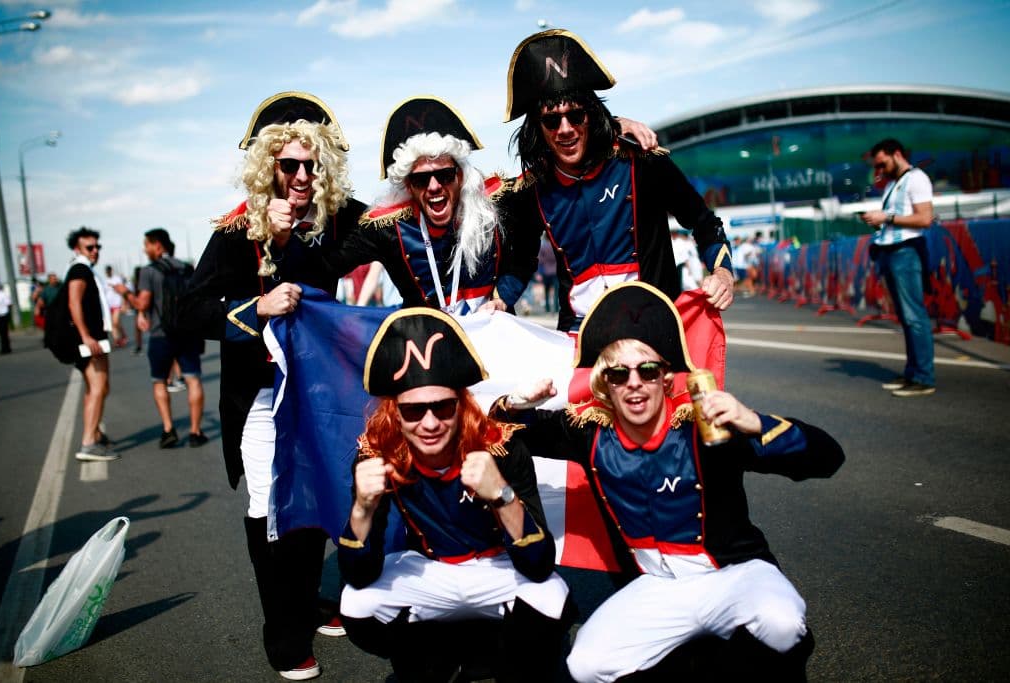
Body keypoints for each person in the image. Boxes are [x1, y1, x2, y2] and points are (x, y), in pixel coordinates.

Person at [496, 281, 844, 681]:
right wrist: (515, 403)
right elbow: (504, 433)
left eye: (647, 370)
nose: (634, 382)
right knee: (586, 665)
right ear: (604, 383)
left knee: (781, 623)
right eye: (618, 373)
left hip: (733, 575)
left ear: (665, 378)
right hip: (657, 587)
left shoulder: (706, 429)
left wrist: (755, 423)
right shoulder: (588, 433)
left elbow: (828, 458)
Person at [177, 91, 363, 680]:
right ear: (269, 167)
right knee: (269, 503)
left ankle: (304, 601)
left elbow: (403, 215)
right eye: (290, 165)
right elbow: (187, 311)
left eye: (312, 164)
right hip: (258, 394)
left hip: (322, 392)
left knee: (316, 497)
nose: (302, 176)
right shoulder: (239, 228)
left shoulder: (339, 216)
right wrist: (255, 307)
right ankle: (283, 634)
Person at [338, 308, 573, 681]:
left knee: (553, 599)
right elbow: (359, 574)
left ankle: (502, 660)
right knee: (356, 603)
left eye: (443, 407)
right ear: (395, 412)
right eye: (414, 411)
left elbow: (539, 564)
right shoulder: (378, 454)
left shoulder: (499, 446)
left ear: (461, 403)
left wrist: (502, 496)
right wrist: (362, 510)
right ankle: (432, 658)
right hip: (430, 568)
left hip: (497, 567)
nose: (430, 423)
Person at [503, 29, 735, 332]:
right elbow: (520, 261)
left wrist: (723, 273)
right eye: (551, 120)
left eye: (576, 116)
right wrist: (499, 301)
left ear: (591, 115)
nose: (565, 129)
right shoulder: (530, 190)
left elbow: (703, 222)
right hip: (578, 335)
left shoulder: (644, 161)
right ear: (537, 128)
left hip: (651, 327)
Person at [322, 96, 535, 314]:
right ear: (408, 185)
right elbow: (325, 267)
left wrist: (503, 297)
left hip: (492, 330)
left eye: (444, 175)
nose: (434, 186)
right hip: (427, 335)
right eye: (421, 179)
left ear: (460, 175)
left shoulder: (495, 204)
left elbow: (526, 251)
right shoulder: (387, 227)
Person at [115, 229, 207, 448]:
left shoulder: (149, 271)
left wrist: (124, 292)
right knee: (193, 380)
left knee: (159, 381)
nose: (145, 249)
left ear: (157, 245)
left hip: (161, 334)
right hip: (187, 332)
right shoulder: (186, 267)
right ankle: (195, 432)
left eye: (146, 245)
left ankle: (168, 429)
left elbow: (143, 303)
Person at [861, 138, 936, 397]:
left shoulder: (916, 179)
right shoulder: (893, 184)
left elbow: (925, 218)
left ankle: (923, 377)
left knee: (914, 316)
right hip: (891, 251)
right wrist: (880, 220)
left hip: (906, 251)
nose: (879, 169)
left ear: (897, 154)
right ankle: (913, 373)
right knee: (906, 317)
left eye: (882, 163)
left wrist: (887, 217)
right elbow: (898, 219)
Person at [65, 227, 118, 462]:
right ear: (77, 249)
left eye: (97, 246)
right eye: (89, 247)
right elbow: (74, 303)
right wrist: (86, 336)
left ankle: (94, 434)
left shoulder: (85, 268)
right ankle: (88, 443)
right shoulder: (79, 269)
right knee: (98, 387)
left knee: (97, 388)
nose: (95, 250)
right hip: (89, 339)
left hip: (95, 337)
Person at [104, 265, 129, 347]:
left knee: (115, 322)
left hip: (117, 303)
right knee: (113, 324)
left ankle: (123, 335)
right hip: (108, 304)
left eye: (109, 271)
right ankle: (117, 340)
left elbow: (123, 290)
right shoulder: (105, 281)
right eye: (107, 271)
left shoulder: (117, 279)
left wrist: (124, 303)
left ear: (111, 271)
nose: (108, 272)